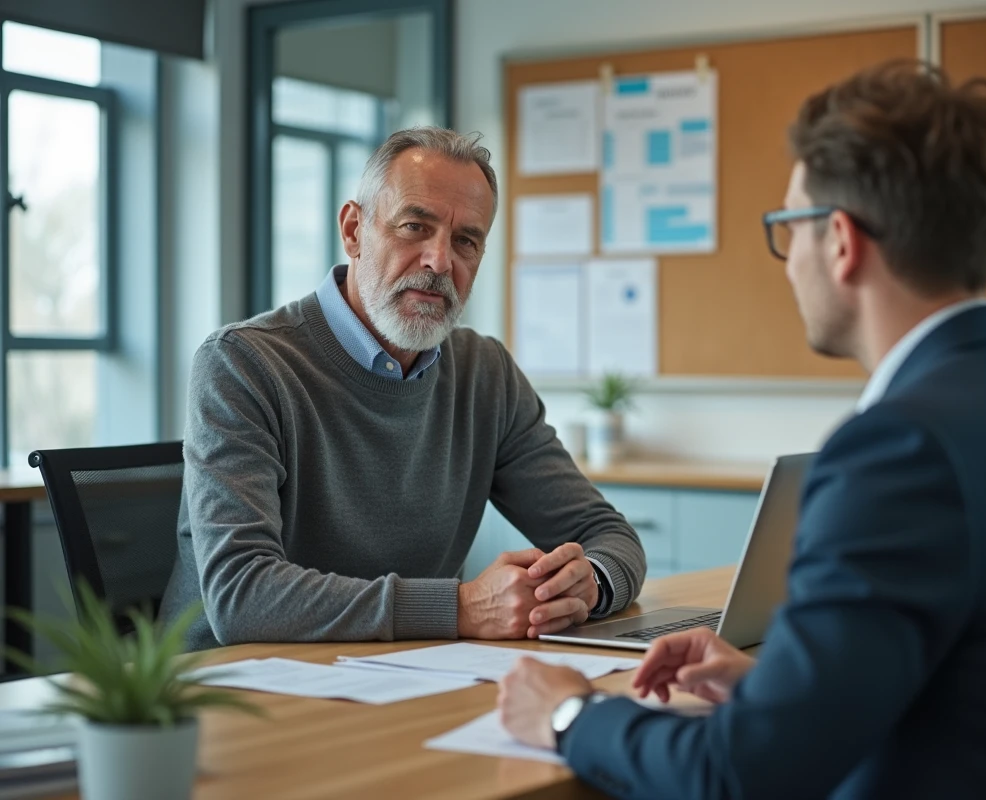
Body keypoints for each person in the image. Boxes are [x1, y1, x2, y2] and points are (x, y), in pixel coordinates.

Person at [497, 61, 986, 799]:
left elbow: (738, 776)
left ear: (840, 241)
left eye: (787, 227)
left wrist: (569, 713)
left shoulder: (900, 449)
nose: (788, 260)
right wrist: (778, 691)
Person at [161, 128, 646, 652]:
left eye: (466, 241)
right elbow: (242, 598)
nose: (440, 261)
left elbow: (608, 535)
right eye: (415, 226)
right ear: (353, 230)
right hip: (230, 694)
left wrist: (586, 584)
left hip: (401, 677)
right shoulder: (243, 364)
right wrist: (458, 608)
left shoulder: (486, 375)